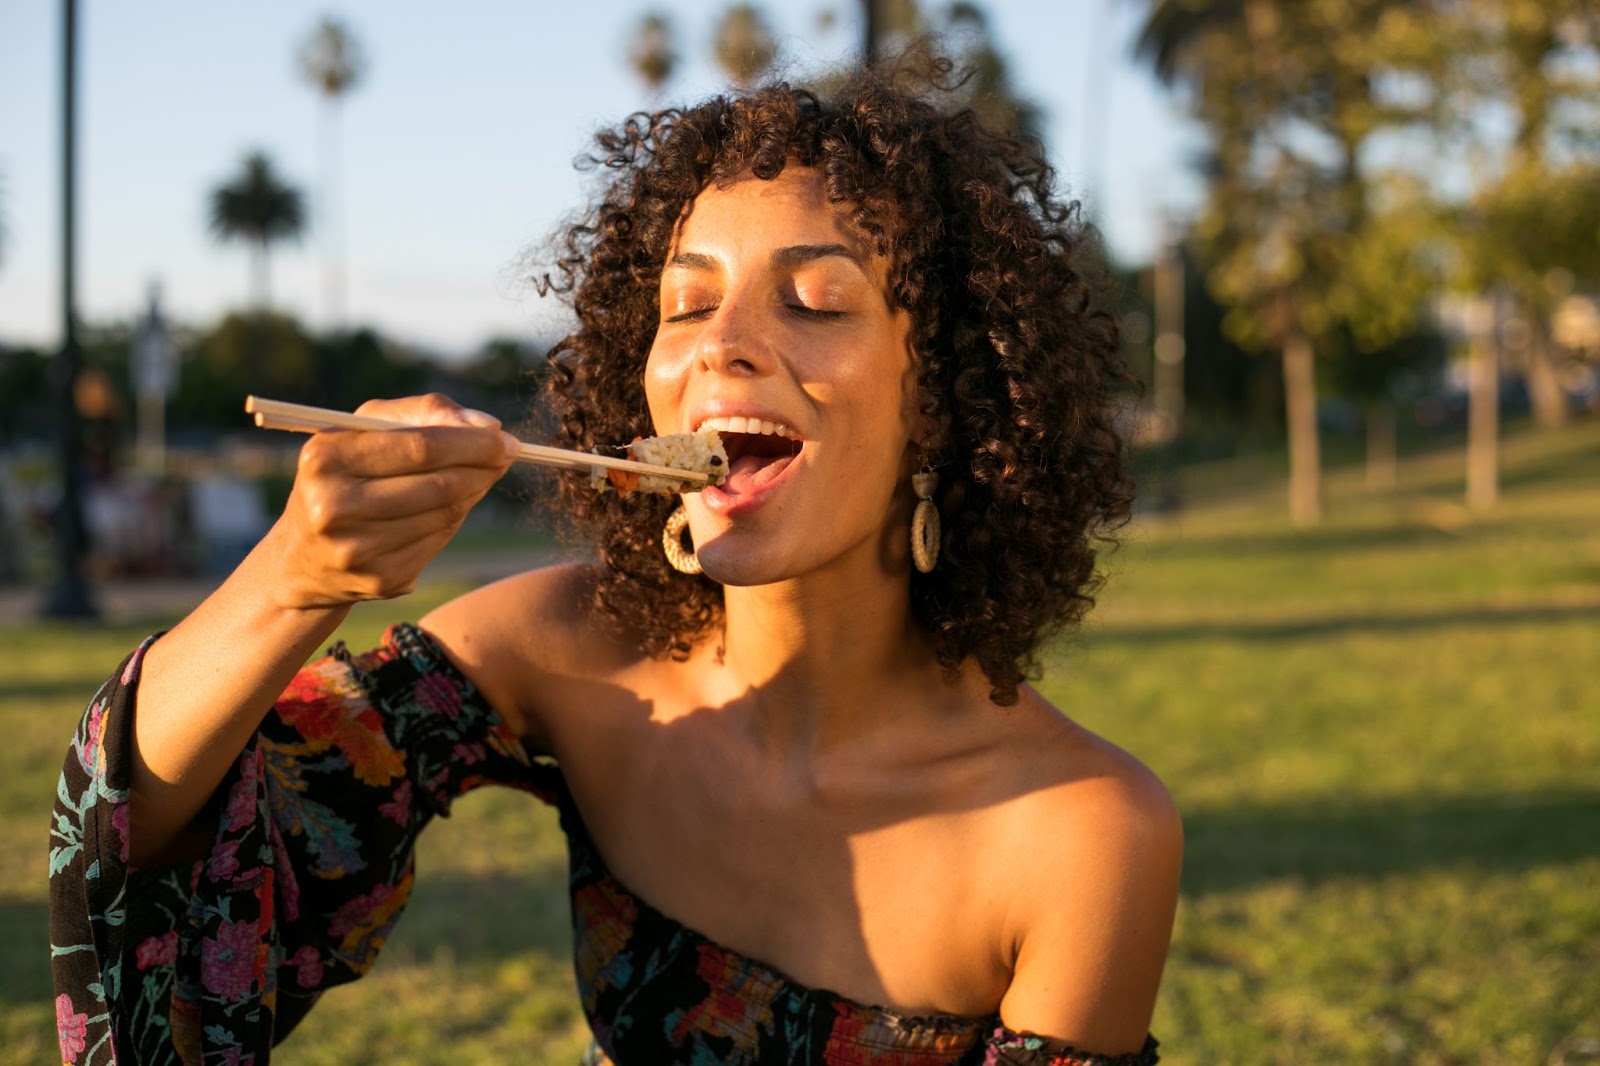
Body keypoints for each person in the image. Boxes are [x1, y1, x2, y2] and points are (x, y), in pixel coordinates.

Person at [50, 65, 1181, 1066]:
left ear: (943, 396)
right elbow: (136, 841)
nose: (716, 343)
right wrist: (293, 575)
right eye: (684, 303)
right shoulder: (573, 652)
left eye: (817, 298)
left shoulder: (1084, 834)